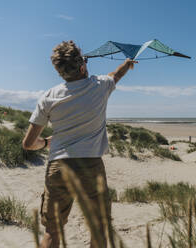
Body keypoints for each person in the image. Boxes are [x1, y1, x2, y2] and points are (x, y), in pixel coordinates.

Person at [22, 40, 137, 248]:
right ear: (82, 66)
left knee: (52, 231)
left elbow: (28, 143)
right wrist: (128, 63)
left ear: (59, 71)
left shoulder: (48, 97)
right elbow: (116, 75)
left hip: (58, 167)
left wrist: (46, 142)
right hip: (90, 166)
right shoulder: (99, 86)